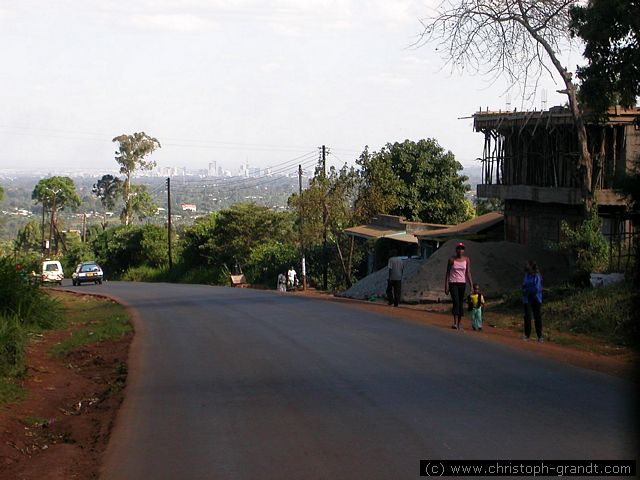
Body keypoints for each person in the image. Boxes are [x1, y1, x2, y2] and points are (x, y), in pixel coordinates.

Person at [444, 242, 473, 330]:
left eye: (462, 249)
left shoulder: (466, 260)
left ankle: (460, 323)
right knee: (456, 301)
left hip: (462, 283)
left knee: (460, 302)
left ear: (463, 250)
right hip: (453, 283)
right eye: (459, 248)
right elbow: (448, 273)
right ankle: (455, 322)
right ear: (456, 250)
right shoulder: (451, 260)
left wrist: (471, 285)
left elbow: (468, 273)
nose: (460, 250)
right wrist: (446, 285)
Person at [522, 260, 543, 342]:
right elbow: (524, 285)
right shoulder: (526, 275)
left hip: (536, 297)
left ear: (532, 267)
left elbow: (537, 288)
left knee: (537, 316)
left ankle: (540, 336)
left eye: (528, 265)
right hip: (527, 298)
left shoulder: (537, 276)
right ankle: (527, 335)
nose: (526, 267)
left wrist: (527, 290)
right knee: (527, 316)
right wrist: (526, 291)